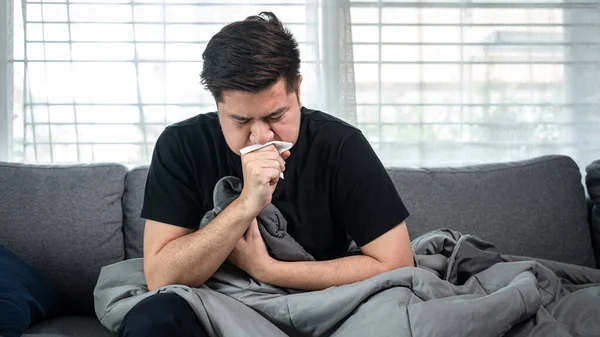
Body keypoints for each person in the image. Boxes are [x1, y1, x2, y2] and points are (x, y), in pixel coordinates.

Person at [118, 11, 414, 337]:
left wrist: (267, 269)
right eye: (240, 120)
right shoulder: (182, 145)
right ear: (219, 106)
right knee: (153, 317)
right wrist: (246, 204)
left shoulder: (341, 144)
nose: (261, 137)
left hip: (321, 304)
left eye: (276, 115)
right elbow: (160, 276)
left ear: (298, 90)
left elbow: (397, 261)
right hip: (216, 304)